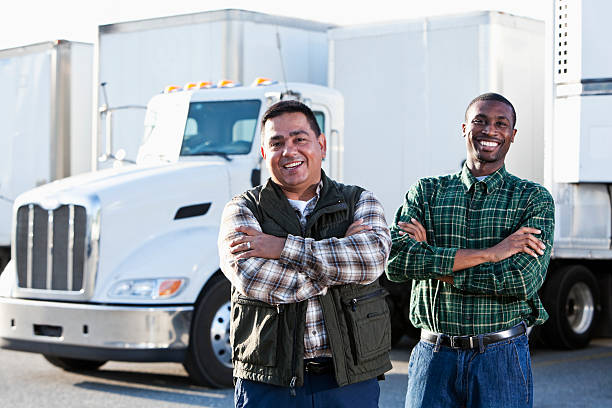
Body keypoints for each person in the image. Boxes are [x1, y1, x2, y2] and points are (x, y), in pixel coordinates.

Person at [218, 100, 392, 408]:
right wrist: (337, 266)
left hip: (347, 381)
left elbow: (372, 259)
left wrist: (281, 248)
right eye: (276, 143)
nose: (289, 151)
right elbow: (255, 278)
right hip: (269, 383)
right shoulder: (242, 209)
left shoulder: (360, 201)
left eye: (300, 139)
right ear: (263, 154)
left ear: (321, 145)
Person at [386, 93, 555, 408]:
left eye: (500, 123)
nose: (490, 130)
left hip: (500, 360)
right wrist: (494, 253)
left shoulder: (532, 199)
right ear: (464, 128)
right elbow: (397, 262)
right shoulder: (426, 192)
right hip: (433, 359)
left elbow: (521, 281)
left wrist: (437, 264)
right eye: (480, 121)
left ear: (512, 135)